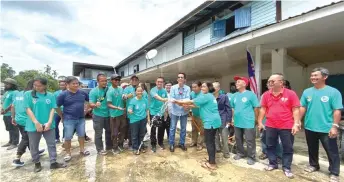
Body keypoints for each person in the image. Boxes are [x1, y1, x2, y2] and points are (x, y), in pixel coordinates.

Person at [300, 68, 342, 182]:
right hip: (309, 126)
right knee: (312, 148)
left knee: (331, 150)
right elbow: (302, 107)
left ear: (325, 77)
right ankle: (313, 165)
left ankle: (334, 172)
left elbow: (337, 110)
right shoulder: (307, 92)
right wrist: (297, 120)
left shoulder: (333, 92)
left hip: (326, 128)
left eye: (316, 75)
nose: (313, 77)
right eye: (312, 75)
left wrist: (334, 126)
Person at [258, 73, 301, 178]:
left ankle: (286, 167)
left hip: (286, 125)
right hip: (270, 125)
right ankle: (272, 163)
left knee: (287, 148)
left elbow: (295, 109)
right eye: (269, 82)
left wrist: (296, 123)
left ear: (281, 82)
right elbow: (263, 109)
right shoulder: (266, 94)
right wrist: (259, 122)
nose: (270, 83)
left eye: (272, 81)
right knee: (270, 146)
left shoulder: (291, 94)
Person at [173, 82, 221, 170]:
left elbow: (192, 101)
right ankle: (211, 159)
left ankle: (212, 164)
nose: (202, 88)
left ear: (208, 88)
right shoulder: (209, 96)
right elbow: (196, 105)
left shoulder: (205, 96)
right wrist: (186, 105)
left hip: (210, 122)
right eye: (201, 86)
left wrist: (177, 101)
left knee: (209, 143)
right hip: (214, 121)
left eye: (203, 86)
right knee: (211, 142)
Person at [24, 78, 66, 172]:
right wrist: (36, 122)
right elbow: (28, 109)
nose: (36, 87)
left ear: (45, 86)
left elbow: (52, 108)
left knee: (51, 144)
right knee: (34, 145)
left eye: (39, 86)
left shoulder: (50, 95)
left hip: (48, 125)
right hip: (33, 125)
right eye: (35, 85)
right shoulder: (28, 94)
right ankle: (37, 163)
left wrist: (50, 122)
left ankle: (53, 162)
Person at [11, 80, 45, 167]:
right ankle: (17, 158)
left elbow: (13, 106)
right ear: (33, 86)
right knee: (26, 138)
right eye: (36, 86)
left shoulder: (18, 94)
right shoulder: (30, 95)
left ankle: (35, 152)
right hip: (27, 121)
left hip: (19, 120)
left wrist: (13, 117)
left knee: (29, 138)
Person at [56, 76, 90, 162]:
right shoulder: (63, 94)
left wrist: (86, 110)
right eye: (73, 83)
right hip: (68, 119)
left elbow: (89, 101)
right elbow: (57, 107)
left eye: (77, 83)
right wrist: (61, 116)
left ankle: (82, 149)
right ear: (67, 84)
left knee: (81, 135)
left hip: (81, 118)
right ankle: (68, 153)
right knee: (68, 137)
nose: (76, 85)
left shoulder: (82, 93)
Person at [231, 76, 259, 165]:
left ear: (244, 84)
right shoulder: (234, 95)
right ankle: (240, 153)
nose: (236, 83)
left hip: (248, 121)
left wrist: (256, 119)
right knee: (238, 139)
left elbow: (256, 108)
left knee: (250, 140)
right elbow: (232, 107)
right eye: (236, 82)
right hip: (237, 122)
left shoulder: (251, 94)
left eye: (238, 82)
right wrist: (233, 118)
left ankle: (251, 157)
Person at [259, 81, 283, 161]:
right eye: (268, 84)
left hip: (279, 121)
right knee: (264, 137)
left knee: (278, 139)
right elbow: (261, 108)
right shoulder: (264, 95)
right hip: (266, 120)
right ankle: (265, 152)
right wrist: (260, 121)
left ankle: (279, 155)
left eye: (272, 83)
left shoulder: (283, 94)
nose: (270, 85)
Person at [89, 73, 112, 155]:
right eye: (102, 81)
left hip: (108, 114)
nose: (104, 82)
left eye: (105, 81)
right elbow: (90, 103)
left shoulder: (108, 89)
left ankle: (109, 146)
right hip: (98, 115)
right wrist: (95, 105)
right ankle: (100, 149)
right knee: (99, 133)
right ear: (98, 81)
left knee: (109, 131)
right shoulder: (93, 91)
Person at [169, 73, 191, 152]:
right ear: (177, 79)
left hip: (184, 111)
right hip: (175, 111)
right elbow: (171, 98)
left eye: (182, 77)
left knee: (183, 128)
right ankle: (171, 144)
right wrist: (181, 102)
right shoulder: (173, 88)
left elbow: (188, 98)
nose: (180, 78)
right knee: (172, 128)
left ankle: (182, 143)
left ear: (184, 79)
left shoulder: (188, 88)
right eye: (179, 77)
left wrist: (179, 102)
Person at [106, 74, 126, 154]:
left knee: (123, 129)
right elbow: (109, 104)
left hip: (122, 114)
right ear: (111, 81)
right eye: (115, 80)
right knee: (114, 132)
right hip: (114, 115)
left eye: (118, 80)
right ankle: (114, 147)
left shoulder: (121, 88)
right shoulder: (110, 91)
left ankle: (120, 144)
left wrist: (125, 97)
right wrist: (117, 108)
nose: (117, 81)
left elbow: (123, 98)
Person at [127, 86, 149, 155]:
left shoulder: (145, 100)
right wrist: (129, 110)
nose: (140, 92)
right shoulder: (133, 100)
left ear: (142, 92)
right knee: (134, 135)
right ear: (135, 92)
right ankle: (135, 148)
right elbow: (129, 108)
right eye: (138, 91)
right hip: (134, 120)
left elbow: (147, 110)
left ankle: (140, 147)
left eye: (141, 91)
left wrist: (148, 119)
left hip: (143, 120)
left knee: (141, 134)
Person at [149, 77, 168, 152]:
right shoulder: (153, 90)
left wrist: (166, 112)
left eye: (161, 82)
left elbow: (166, 103)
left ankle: (160, 142)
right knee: (153, 129)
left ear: (163, 83)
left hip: (161, 112)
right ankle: (153, 144)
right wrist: (163, 99)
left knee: (161, 128)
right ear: (156, 82)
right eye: (158, 82)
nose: (159, 83)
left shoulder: (164, 91)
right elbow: (157, 97)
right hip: (153, 112)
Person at [213, 82, 232, 158]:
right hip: (214, 120)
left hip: (223, 120)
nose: (212, 88)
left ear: (218, 88)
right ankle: (217, 149)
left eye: (214, 87)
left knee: (224, 137)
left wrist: (229, 120)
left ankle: (226, 153)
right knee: (215, 136)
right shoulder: (210, 97)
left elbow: (228, 109)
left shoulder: (224, 97)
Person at [1, 78, 19, 150]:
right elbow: (3, 102)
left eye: (7, 84)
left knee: (14, 128)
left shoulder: (15, 92)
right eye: (5, 83)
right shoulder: (6, 93)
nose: (5, 85)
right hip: (5, 114)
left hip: (11, 114)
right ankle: (10, 141)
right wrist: (2, 109)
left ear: (12, 85)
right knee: (9, 129)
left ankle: (15, 143)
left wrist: (6, 110)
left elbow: (14, 103)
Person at [123, 75, 140, 150]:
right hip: (131, 113)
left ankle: (138, 143)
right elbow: (123, 98)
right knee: (130, 129)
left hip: (139, 113)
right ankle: (130, 144)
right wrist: (129, 95)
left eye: (136, 80)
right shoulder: (127, 88)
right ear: (130, 81)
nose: (134, 81)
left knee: (139, 129)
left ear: (138, 81)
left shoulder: (140, 88)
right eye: (133, 80)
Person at [189, 81, 204, 151]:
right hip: (194, 115)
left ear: (200, 87)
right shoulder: (192, 93)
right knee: (194, 129)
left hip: (202, 115)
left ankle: (199, 144)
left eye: (195, 87)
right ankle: (193, 141)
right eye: (192, 87)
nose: (193, 89)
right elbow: (189, 101)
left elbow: (199, 105)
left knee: (201, 130)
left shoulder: (203, 94)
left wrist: (188, 105)